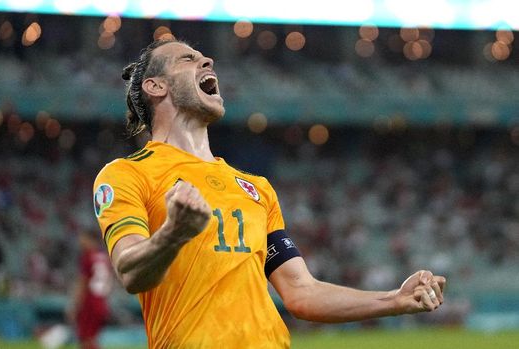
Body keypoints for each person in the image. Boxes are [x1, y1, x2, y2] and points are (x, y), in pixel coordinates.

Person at [93, 39, 446, 348]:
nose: (207, 61)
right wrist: (174, 234)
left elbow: (301, 292)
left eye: (203, 57)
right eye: (187, 59)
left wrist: (395, 300)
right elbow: (130, 271)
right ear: (156, 87)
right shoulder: (127, 174)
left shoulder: (256, 189)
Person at [67, 231, 113, 349]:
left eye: (83, 239)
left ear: (90, 239)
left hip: (90, 302)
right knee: (91, 338)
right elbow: (109, 281)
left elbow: (82, 282)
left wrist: (74, 305)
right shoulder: (103, 257)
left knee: (85, 339)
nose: (80, 242)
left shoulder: (87, 257)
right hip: (101, 302)